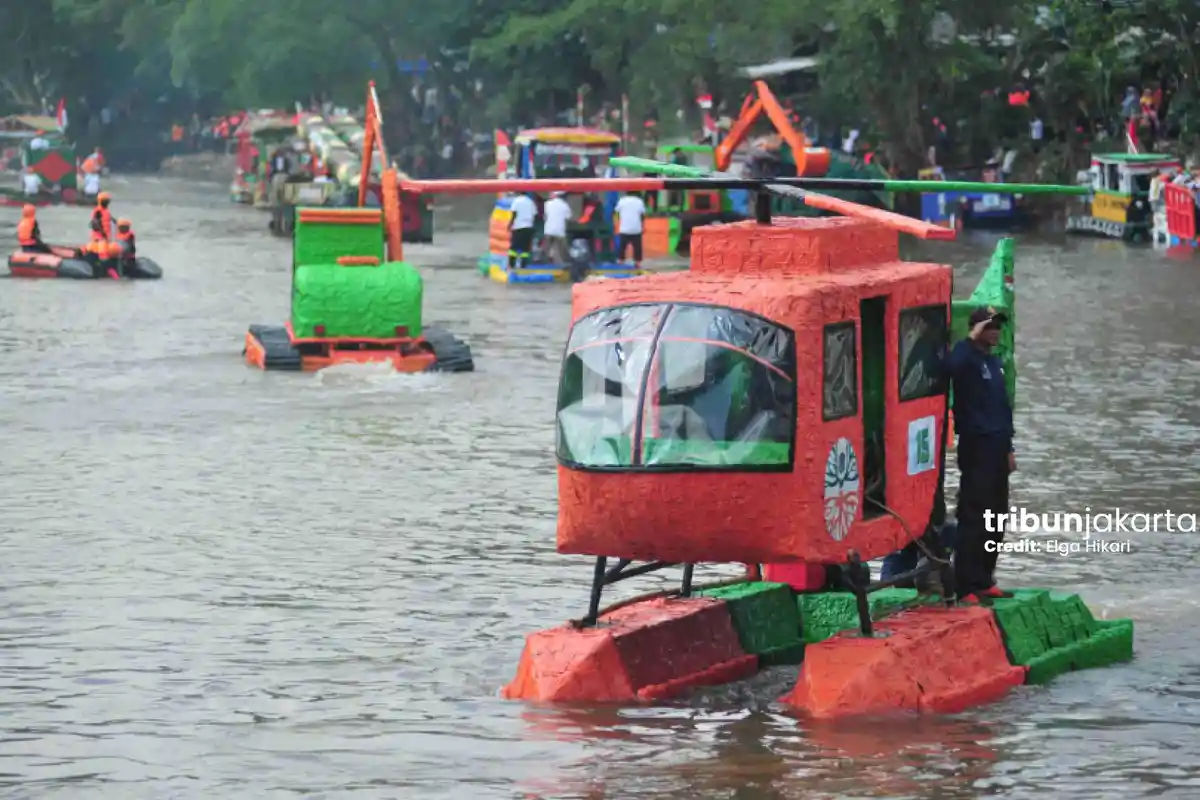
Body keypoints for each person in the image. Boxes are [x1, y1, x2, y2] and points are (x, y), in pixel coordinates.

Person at [944, 306, 1016, 602]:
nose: (996, 331)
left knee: (997, 515)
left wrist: (1010, 448)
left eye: (998, 326)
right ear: (976, 330)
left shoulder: (994, 362)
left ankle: (985, 578)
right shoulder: (966, 360)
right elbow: (947, 369)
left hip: (998, 447)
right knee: (974, 515)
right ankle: (965, 585)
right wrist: (968, 339)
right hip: (976, 446)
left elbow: (1003, 408)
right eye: (989, 327)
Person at [614, 190, 646, 267]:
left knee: (622, 247)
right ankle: (637, 262)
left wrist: (616, 224)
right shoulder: (639, 201)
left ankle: (620, 261)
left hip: (624, 229)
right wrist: (643, 226)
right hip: (636, 229)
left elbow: (616, 213)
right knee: (637, 247)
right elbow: (642, 215)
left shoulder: (622, 201)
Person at [507, 191, 537, 269]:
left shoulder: (516, 201)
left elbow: (514, 214)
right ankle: (523, 266)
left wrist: (509, 225)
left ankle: (512, 265)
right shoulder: (531, 202)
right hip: (528, 227)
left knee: (513, 248)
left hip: (518, 227)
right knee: (525, 248)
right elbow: (534, 215)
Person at [541, 191, 572, 265]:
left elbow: (545, 217)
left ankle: (545, 263)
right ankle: (562, 263)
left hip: (548, 229)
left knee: (547, 248)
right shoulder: (565, 205)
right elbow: (568, 217)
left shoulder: (547, 204)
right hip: (560, 230)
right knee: (561, 249)